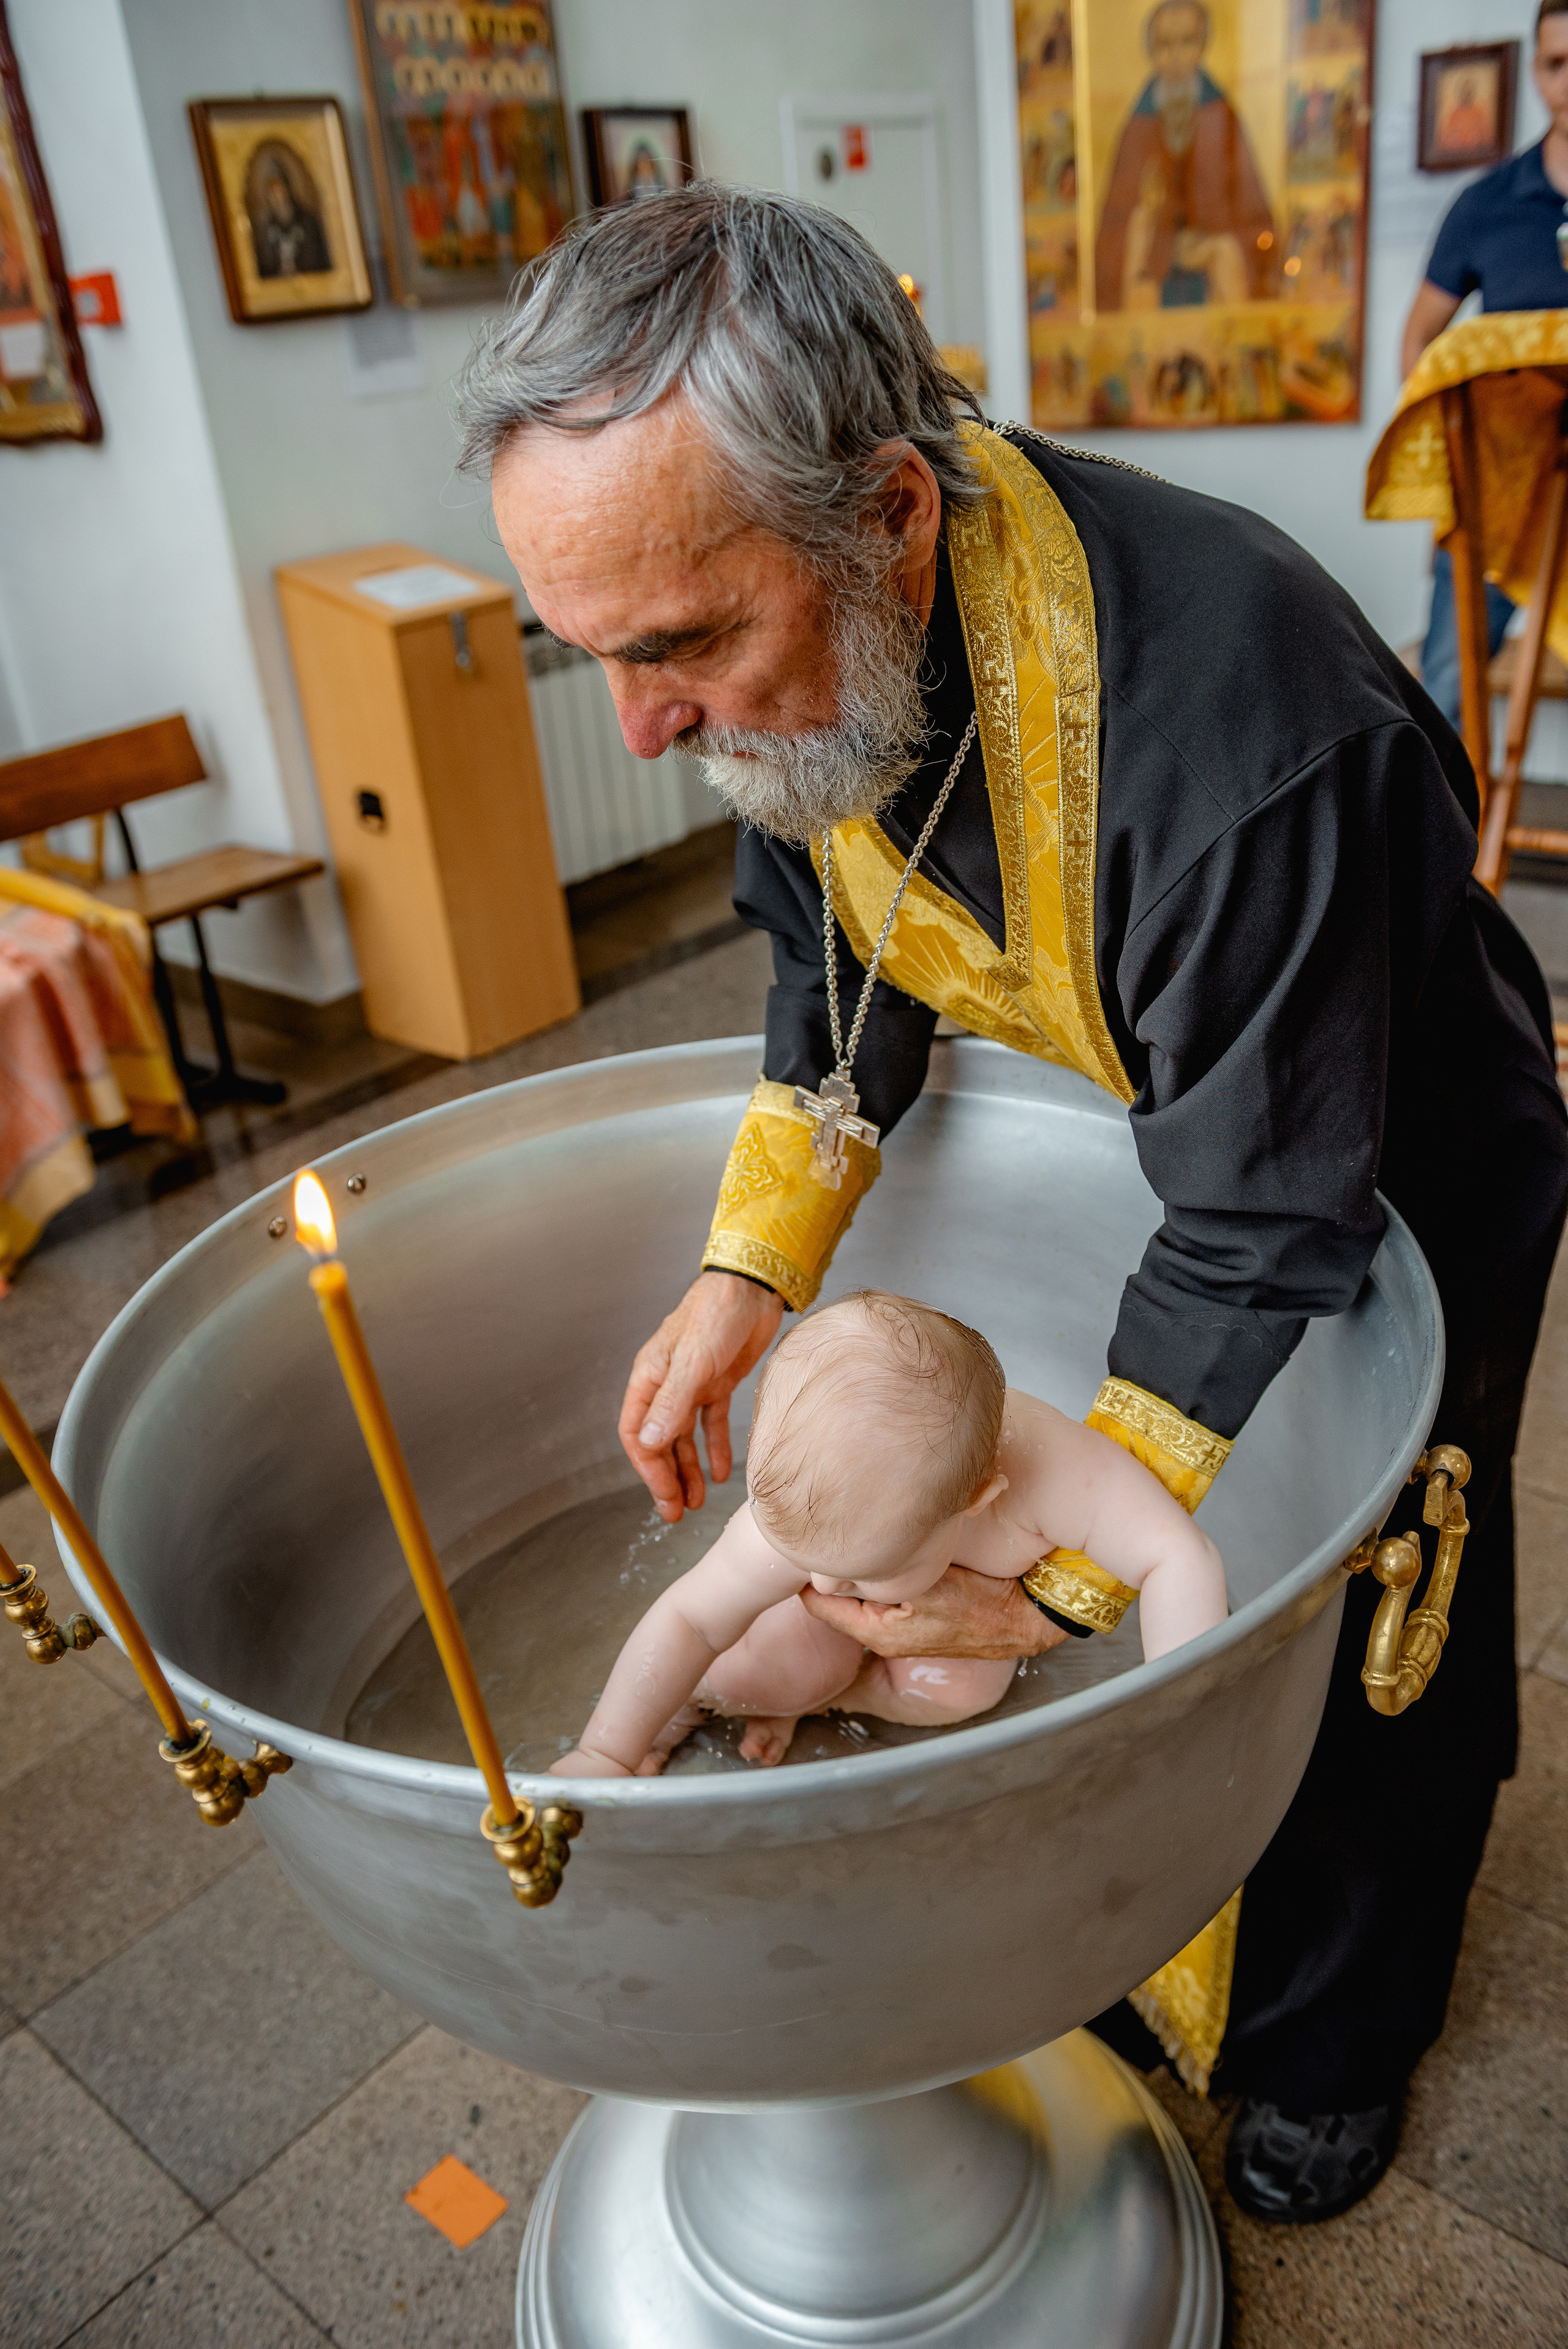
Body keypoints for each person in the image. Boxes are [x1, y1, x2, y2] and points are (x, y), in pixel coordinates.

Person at [456, 183, 1566, 2225]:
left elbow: (1261, 1231)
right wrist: (744, 1269)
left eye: (684, 643)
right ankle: (1162, 1913)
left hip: (1410, 1145)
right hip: (1191, 1113)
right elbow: (833, 967)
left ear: (890, 509)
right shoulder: (839, 631)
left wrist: (1037, 1597)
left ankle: (1336, 2028)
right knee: (1140, 1525)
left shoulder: (1232, 732)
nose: (643, 725)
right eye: (590, 655)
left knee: (1360, 1585)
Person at [552, 1292, 1227, 1779]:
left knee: (961, 1690)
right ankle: (697, 1708)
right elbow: (691, 1620)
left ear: (976, 1500)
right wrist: (605, 1751)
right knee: (765, 1665)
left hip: (956, 1630)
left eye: (861, 1569)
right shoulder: (808, 1508)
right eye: (804, 1560)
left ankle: (827, 1700)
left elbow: (1177, 1556)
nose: (822, 1586)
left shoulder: (1054, 1478)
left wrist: (1181, 1714)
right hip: (810, 1632)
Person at [1403, 0, 1568, 727]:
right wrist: (1445, 466)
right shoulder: (1487, 203)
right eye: (1558, 63)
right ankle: (1437, 842)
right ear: (1535, 72)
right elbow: (1420, 340)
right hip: (1500, 487)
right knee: (1447, 679)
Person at [1095, 0, 1275, 310]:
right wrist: (1160, 244)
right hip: (1153, 268)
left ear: (1202, 47)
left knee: (1229, 255)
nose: (1176, 57)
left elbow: (1256, 218)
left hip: (1211, 270)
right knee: (1135, 236)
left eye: (1187, 42)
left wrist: (1218, 244)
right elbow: (1113, 228)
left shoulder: (1223, 119)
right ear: (1150, 53)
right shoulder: (1138, 127)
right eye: (1164, 45)